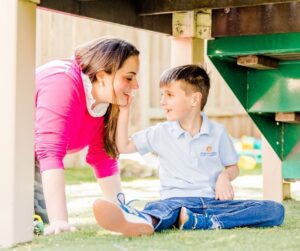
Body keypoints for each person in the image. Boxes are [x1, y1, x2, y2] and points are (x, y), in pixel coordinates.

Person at [93, 64, 285, 237]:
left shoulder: (217, 133)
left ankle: (203, 223)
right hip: (175, 203)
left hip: (213, 204)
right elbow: (122, 146)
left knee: (275, 210)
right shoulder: (160, 133)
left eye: (169, 94)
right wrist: (125, 111)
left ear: (194, 99)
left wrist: (224, 177)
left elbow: (233, 167)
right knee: (159, 210)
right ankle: (139, 221)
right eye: (162, 94)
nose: (162, 102)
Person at [34, 37, 140, 235]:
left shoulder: (104, 102)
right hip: (12, 159)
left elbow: (103, 157)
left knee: (35, 222)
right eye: (129, 77)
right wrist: (59, 222)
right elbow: (50, 152)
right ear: (101, 76)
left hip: (30, 163)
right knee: (21, 221)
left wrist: (122, 213)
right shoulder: (62, 82)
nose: (136, 85)